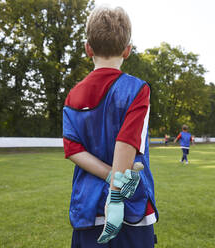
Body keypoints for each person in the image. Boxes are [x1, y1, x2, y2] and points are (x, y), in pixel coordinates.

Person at [62, 5, 158, 248]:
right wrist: (115, 194)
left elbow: (73, 149)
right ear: (127, 51)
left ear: (88, 48)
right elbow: (126, 142)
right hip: (130, 202)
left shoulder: (73, 95)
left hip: (88, 204)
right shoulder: (137, 89)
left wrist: (107, 176)